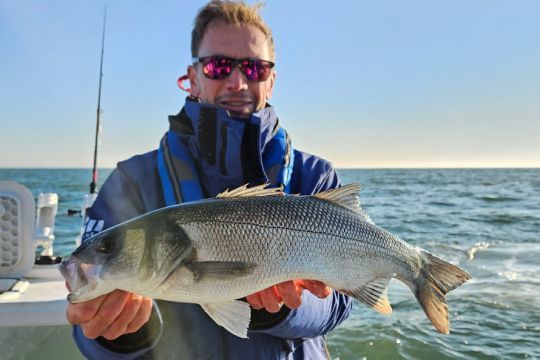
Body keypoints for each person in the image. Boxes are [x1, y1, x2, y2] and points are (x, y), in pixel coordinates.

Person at [66, 1, 353, 359]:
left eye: (254, 67)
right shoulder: (133, 180)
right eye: (218, 66)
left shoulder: (315, 176)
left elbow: (341, 304)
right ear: (194, 77)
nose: (237, 81)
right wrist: (117, 334)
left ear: (272, 80)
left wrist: (284, 309)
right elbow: (86, 327)